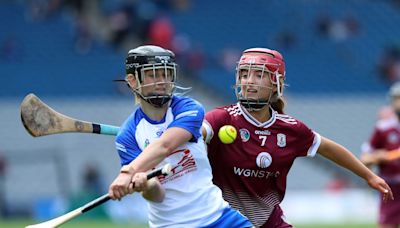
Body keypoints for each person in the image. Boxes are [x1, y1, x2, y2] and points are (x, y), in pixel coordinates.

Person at [201, 47, 394, 228]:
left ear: (276, 83)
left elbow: (328, 148)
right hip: (224, 217)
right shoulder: (222, 118)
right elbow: (193, 132)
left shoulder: (290, 129)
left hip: (268, 218)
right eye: (244, 74)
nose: (249, 81)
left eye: (259, 75)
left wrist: (369, 176)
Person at [108, 45, 253, 228]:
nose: (162, 81)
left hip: (219, 217)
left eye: (166, 74)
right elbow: (157, 195)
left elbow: (165, 145)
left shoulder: (188, 108)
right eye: (153, 75)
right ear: (132, 81)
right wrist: (146, 185)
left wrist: (127, 172)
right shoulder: (127, 136)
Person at [361, 82, 400, 228]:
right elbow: (365, 159)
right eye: (397, 99)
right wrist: (379, 156)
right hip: (391, 189)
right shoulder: (383, 128)